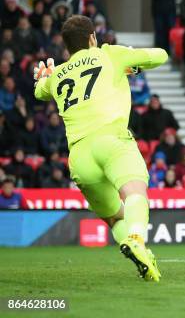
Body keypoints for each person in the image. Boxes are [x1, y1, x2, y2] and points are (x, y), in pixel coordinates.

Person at [33, 15, 167, 281]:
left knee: (115, 217)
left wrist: (42, 77)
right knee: (134, 193)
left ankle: (143, 258)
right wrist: (131, 59)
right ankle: (138, 240)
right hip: (111, 140)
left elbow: (40, 91)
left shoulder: (58, 74)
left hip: (79, 158)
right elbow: (160, 56)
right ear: (92, 37)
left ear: (67, 46)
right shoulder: (109, 55)